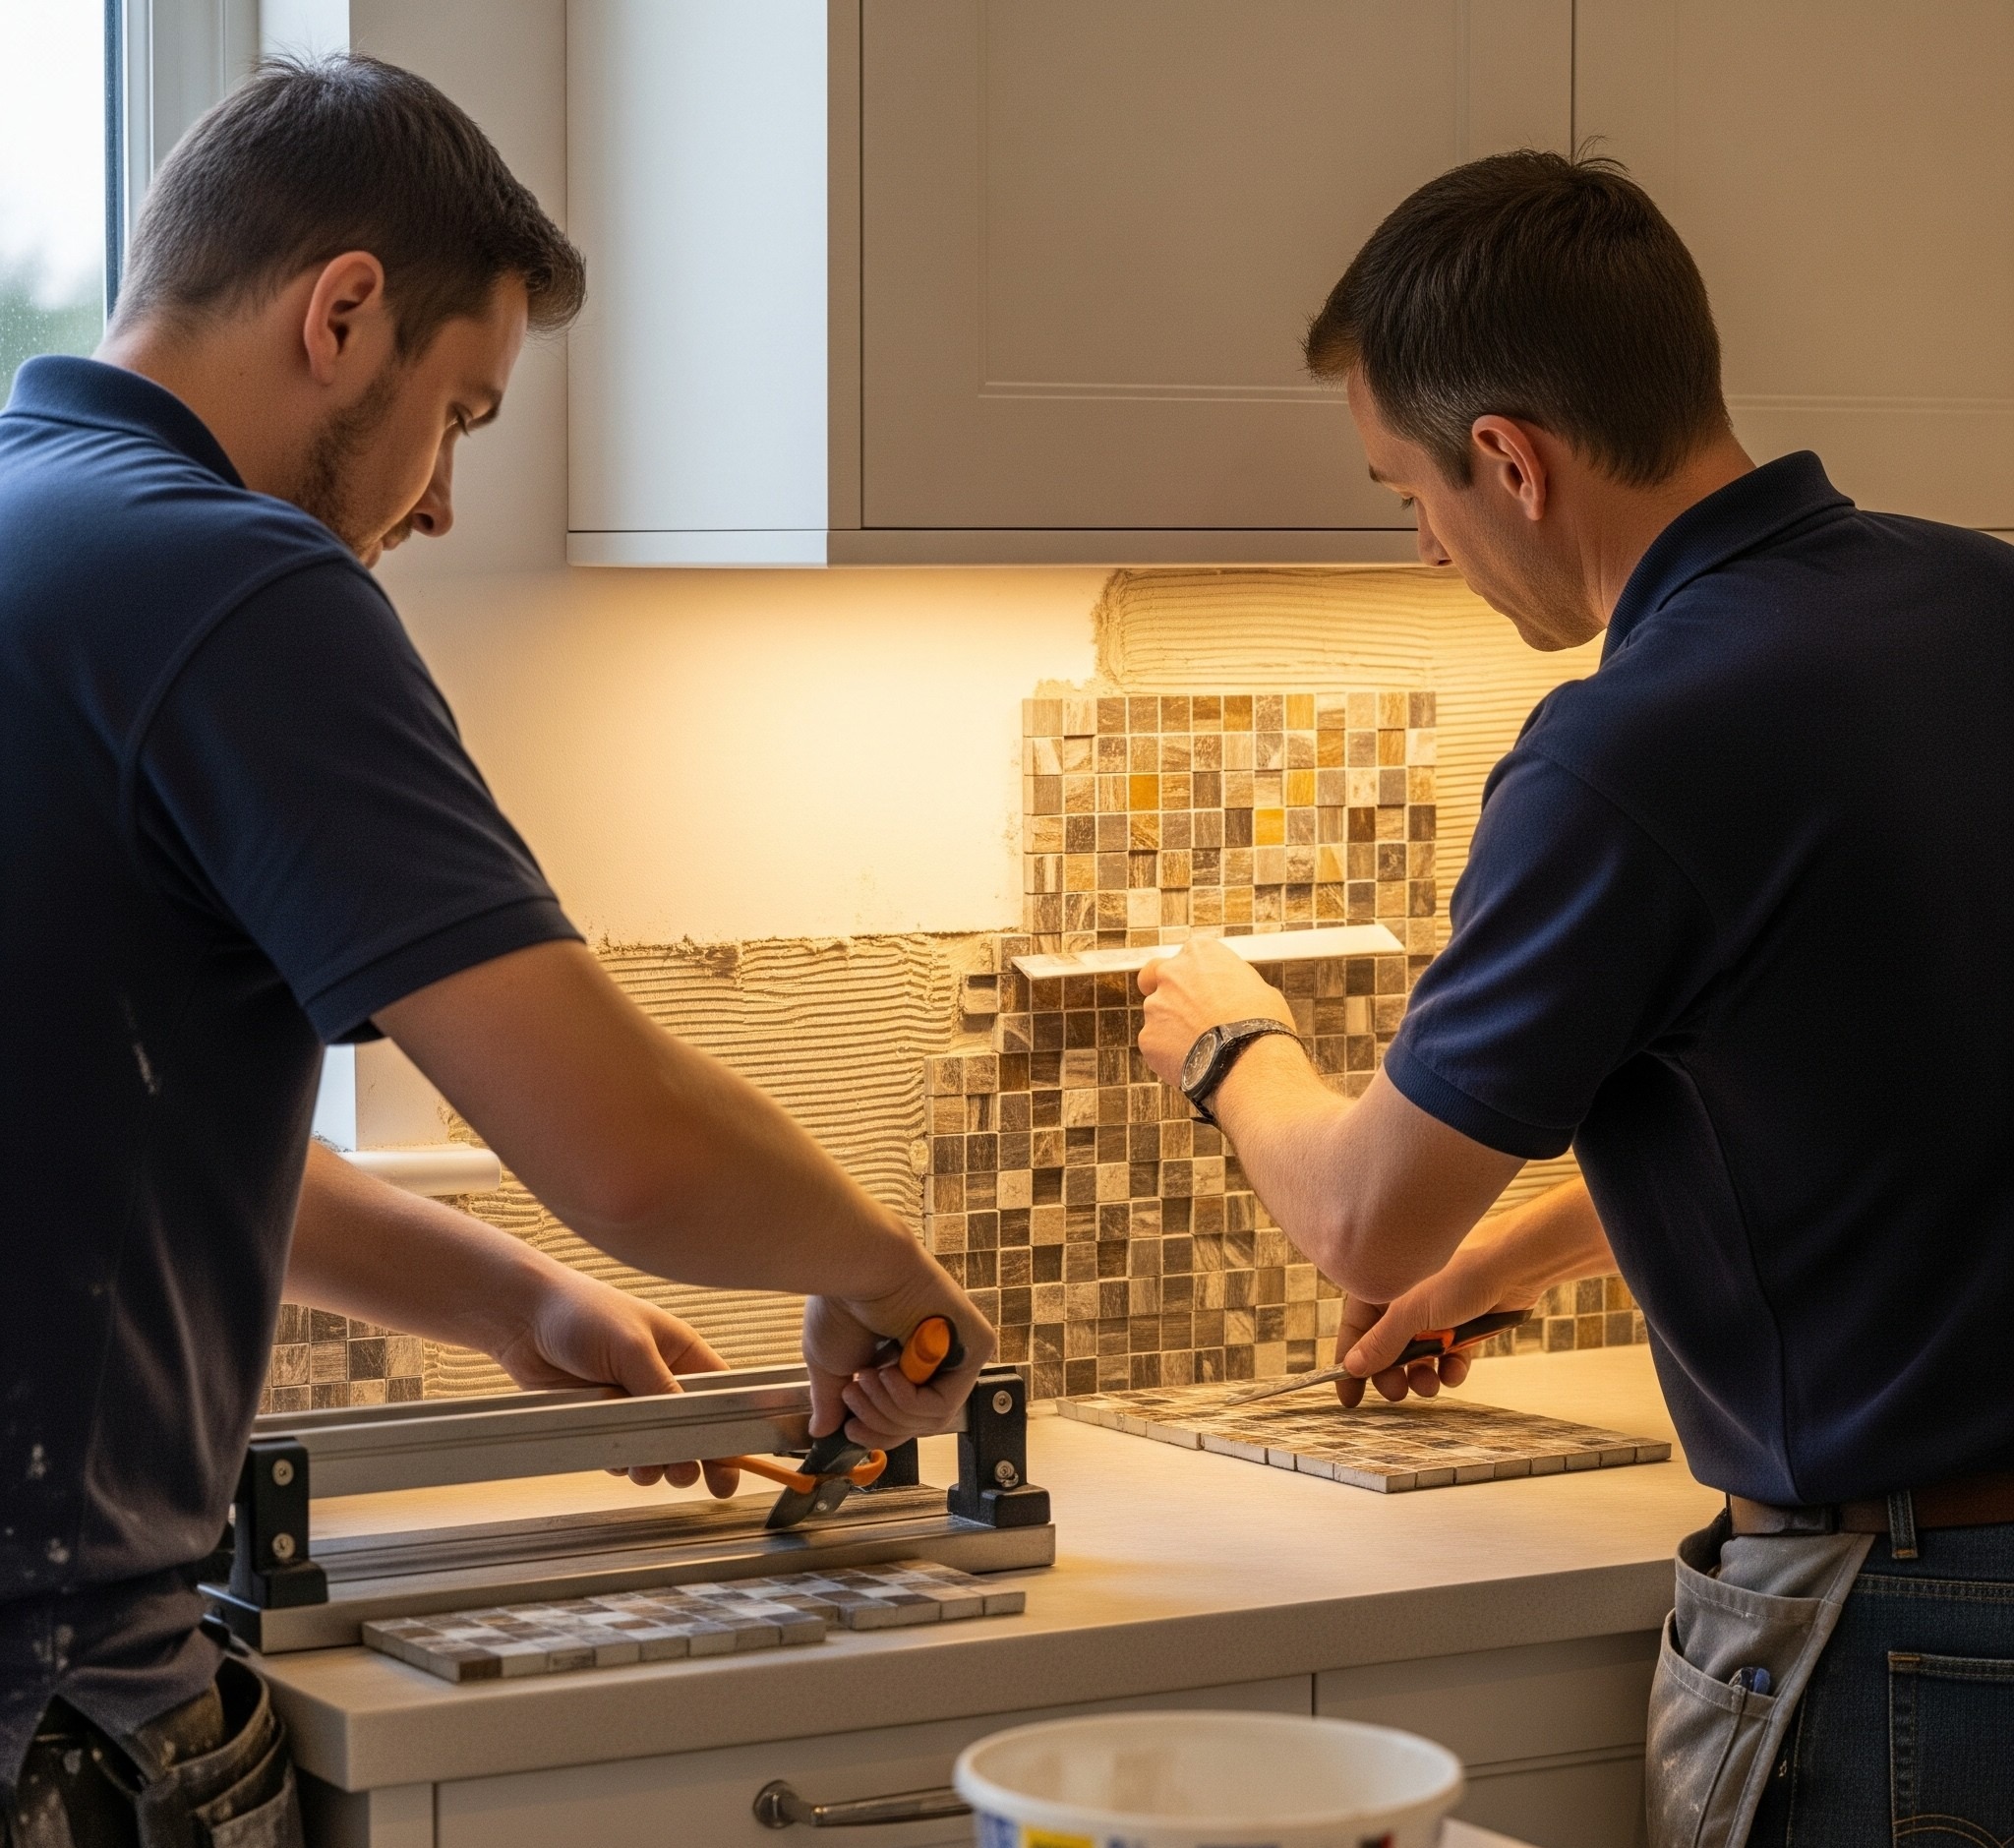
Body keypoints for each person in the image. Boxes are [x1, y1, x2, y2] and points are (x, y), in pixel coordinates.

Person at [0, 54, 989, 1845]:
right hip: (51, 1716)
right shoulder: (234, 586)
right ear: (346, 313)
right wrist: (882, 1266)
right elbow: (627, 1144)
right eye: (459, 411)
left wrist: (512, 1300)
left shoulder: (35, 537)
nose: (443, 500)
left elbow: (109, 1131)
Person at [1136, 151, 2014, 1847]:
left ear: (1509, 460)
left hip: (1914, 1636)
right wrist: (1507, 1259)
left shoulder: (1629, 748)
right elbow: (1861, 1094)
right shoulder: (1980, 602)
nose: (1424, 551)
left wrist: (1233, 1048)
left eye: (1405, 493)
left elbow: (1365, 1216)